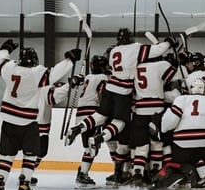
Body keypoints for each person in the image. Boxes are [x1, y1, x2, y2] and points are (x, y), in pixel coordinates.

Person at [66, 28, 178, 158]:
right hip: (123, 91)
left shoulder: (114, 51)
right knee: (120, 122)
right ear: (130, 38)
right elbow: (157, 50)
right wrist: (169, 42)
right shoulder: (135, 48)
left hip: (110, 87)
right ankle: (99, 138)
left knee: (100, 115)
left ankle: (79, 128)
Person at [0, 39, 81, 190]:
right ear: (34, 61)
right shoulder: (35, 73)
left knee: (6, 155)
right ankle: (24, 184)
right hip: (27, 122)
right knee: (31, 155)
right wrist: (70, 59)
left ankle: (0, 181)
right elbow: (53, 73)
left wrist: (4, 49)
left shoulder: (9, 68)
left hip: (8, 120)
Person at [129, 54, 177, 187]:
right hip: (157, 110)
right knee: (157, 143)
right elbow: (172, 75)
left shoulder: (135, 67)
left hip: (140, 111)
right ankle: (156, 172)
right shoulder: (161, 65)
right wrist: (174, 62)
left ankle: (137, 173)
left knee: (141, 146)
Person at [65, 55, 111, 189]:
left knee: (88, 147)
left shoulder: (88, 77)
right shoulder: (103, 78)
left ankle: (82, 173)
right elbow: (102, 94)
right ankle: (83, 174)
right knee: (93, 147)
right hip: (92, 113)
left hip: (80, 113)